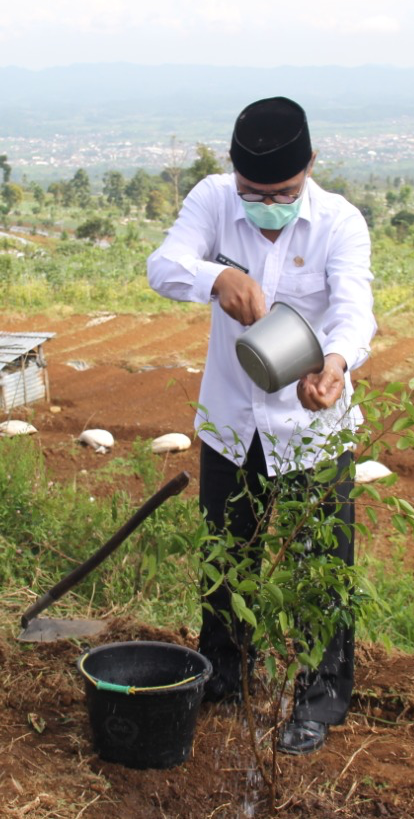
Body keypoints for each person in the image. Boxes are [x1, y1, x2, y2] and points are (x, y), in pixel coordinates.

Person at [147, 96, 376, 755]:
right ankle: (223, 674)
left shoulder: (339, 222)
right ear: (233, 174)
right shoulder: (215, 200)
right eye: (254, 191)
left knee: (320, 565)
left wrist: (333, 364)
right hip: (232, 423)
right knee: (225, 556)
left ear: (309, 165)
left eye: (281, 191)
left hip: (312, 425)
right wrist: (217, 275)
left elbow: (354, 308)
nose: (265, 203)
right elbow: (163, 265)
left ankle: (320, 698)